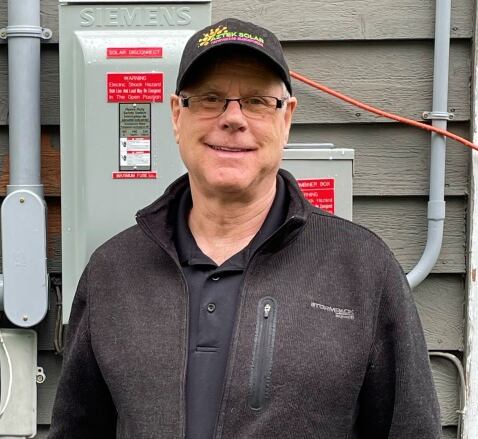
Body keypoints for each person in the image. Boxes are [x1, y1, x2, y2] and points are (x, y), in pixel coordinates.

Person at [49, 18, 440, 439]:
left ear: (286, 118)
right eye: (210, 98)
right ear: (177, 115)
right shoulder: (113, 271)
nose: (233, 119)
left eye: (255, 101)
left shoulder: (362, 268)